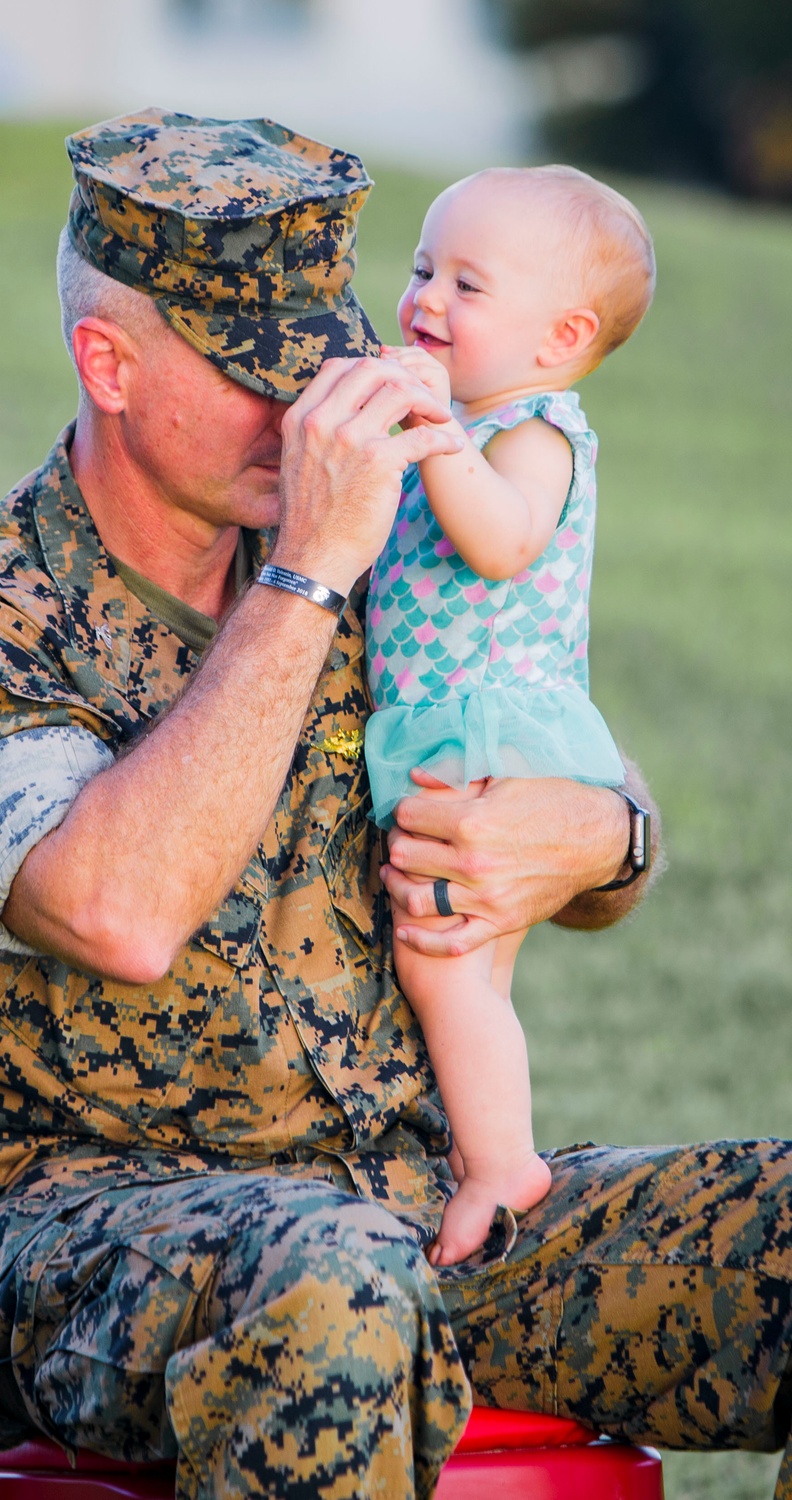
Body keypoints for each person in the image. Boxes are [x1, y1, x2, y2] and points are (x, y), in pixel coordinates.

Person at [0, 109, 792, 1500]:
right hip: (81, 1232)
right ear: (107, 363)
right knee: (332, 1290)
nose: (312, 410)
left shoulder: (382, 545)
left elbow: (567, 766)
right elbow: (114, 912)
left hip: (414, 1213)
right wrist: (302, 580)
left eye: (328, 361)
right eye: (260, 373)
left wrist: (602, 833)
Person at [364, 166, 654, 1267]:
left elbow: (501, 544)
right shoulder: (473, 420)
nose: (425, 297)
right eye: (423, 268)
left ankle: (501, 1163)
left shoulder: (534, 432)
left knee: (443, 952)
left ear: (557, 337)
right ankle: (471, 1154)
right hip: (446, 721)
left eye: (467, 284)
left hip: (486, 727)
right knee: (467, 968)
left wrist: (433, 430)